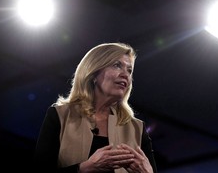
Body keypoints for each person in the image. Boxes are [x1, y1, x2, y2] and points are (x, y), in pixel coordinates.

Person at [34, 42, 157, 173]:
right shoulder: (60, 116)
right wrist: (83, 169)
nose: (125, 75)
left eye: (129, 70)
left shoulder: (137, 129)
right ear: (93, 73)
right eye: (117, 65)